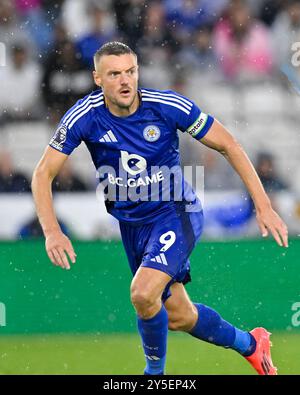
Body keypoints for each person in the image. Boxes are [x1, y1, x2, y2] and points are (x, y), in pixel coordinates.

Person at [31, 41, 288, 375]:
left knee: (141, 293)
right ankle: (252, 345)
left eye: (130, 71)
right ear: (97, 78)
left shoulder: (166, 106)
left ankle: (154, 375)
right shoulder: (85, 115)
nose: (125, 81)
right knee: (180, 316)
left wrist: (263, 205)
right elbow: (42, 174)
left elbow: (229, 144)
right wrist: (52, 231)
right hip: (133, 226)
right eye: (114, 74)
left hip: (175, 213)